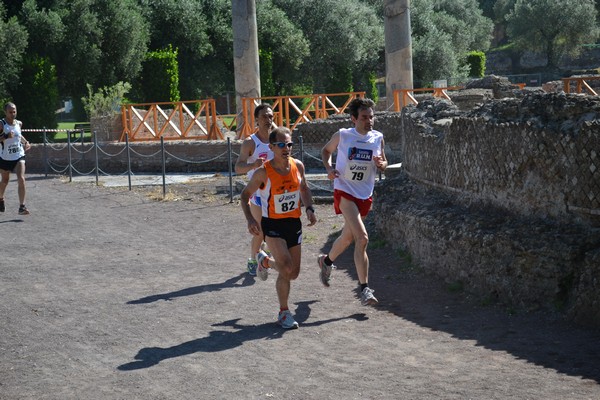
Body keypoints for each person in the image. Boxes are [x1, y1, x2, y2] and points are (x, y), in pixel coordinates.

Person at [240, 127, 317, 329]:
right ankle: (284, 312)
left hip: (293, 223)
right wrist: (250, 219)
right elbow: (244, 195)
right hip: (272, 224)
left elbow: (305, 189)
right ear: (272, 147)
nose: (286, 148)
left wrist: (309, 207)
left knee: (294, 272)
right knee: (286, 267)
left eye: (289, 144)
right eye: (281, 145)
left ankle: (264, 261)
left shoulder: (298, 166)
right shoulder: (263, 172)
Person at [318, 97, 387, 306]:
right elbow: (325, 151)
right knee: (362, 238)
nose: (369, 121)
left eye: (371, 117)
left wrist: (381, 164)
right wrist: (329, 169)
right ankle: (365, 289)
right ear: (353, 119)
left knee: (347, 238)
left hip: (365, 194)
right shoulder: (343, 135)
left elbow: (384, 161)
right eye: (365, 117)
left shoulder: (378, 138)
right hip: (344, 191)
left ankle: (326, 261)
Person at [235, 103, 275, 276]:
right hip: (257, 193)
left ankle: (263, 250)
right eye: (265, 116)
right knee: (260, 229)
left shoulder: (278, 138)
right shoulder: (251, 142)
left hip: (275, 193)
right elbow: (238, 168)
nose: (269, 119)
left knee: (275, 228)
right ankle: (253, 258)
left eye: (271, 116)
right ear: (257, 120)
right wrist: (253, 165)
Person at [0, 102, 31, 215]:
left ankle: (22, 207)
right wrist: (6, 136)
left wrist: (26, 142)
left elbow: (19, 135)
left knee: (21, 178)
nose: (13, 114)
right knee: (4, 181)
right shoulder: (2, 124)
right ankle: (1, 198)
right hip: (5, 157)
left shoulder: (19, 123)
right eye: (10, 112)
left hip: (18, 155)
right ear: (5, 112)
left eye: (14, 111)